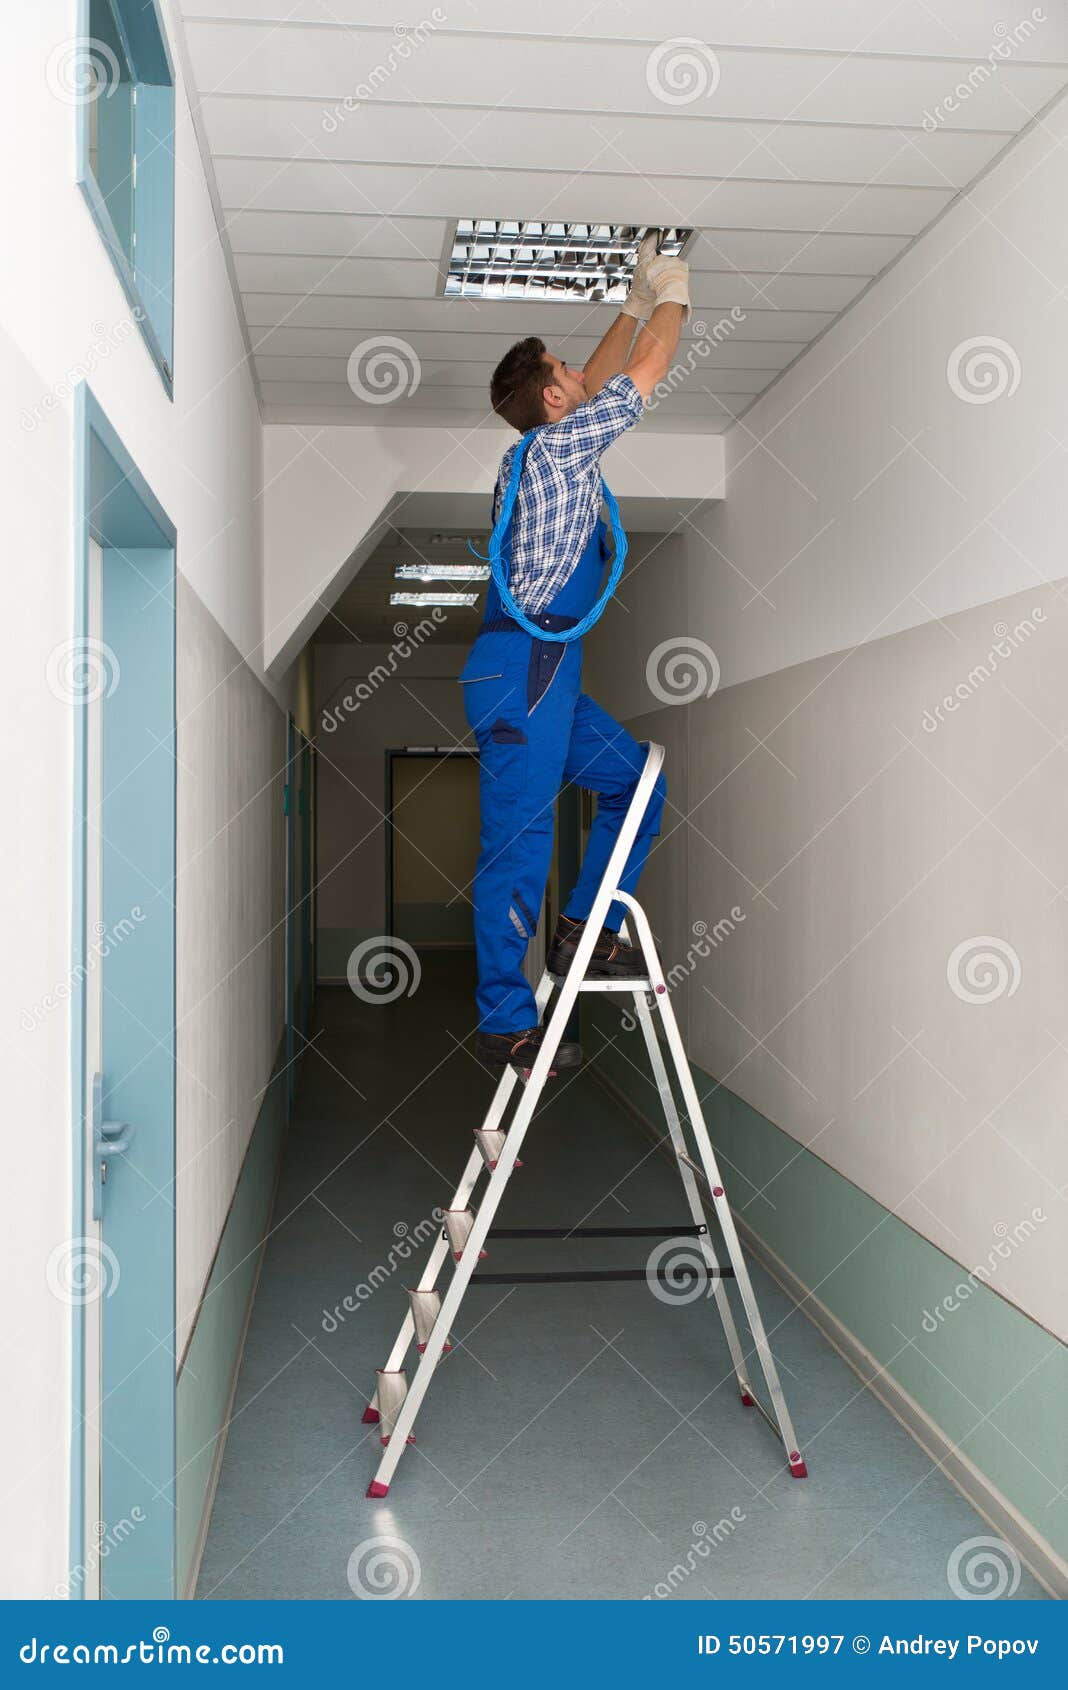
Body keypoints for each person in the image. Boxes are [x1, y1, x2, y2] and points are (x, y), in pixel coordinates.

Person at [462, 237, 691, 1073]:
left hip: (542, 673)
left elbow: (593, 381)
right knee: (517, 849)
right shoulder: (558, 451)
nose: (578, 378)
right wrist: (672, 289)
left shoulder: (542, 446)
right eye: (565, 372)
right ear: (552, 397)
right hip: (523, 670)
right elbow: (647, 370)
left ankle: (584, 931)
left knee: (638, 783)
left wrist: (629, 302)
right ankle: (501, 1021)